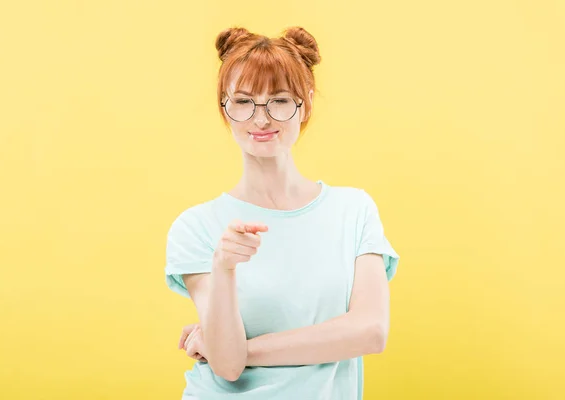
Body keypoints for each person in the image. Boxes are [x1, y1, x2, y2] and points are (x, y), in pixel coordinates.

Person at [164, 26, 400, 400]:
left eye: (278, 100)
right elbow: (226, 367)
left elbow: (370, 332)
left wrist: (244, 350)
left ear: (304, 103)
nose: (261, 120)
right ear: (224, 107)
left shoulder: (353, 211)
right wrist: (223, 266)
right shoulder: (196, 227)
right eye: (243, 101)